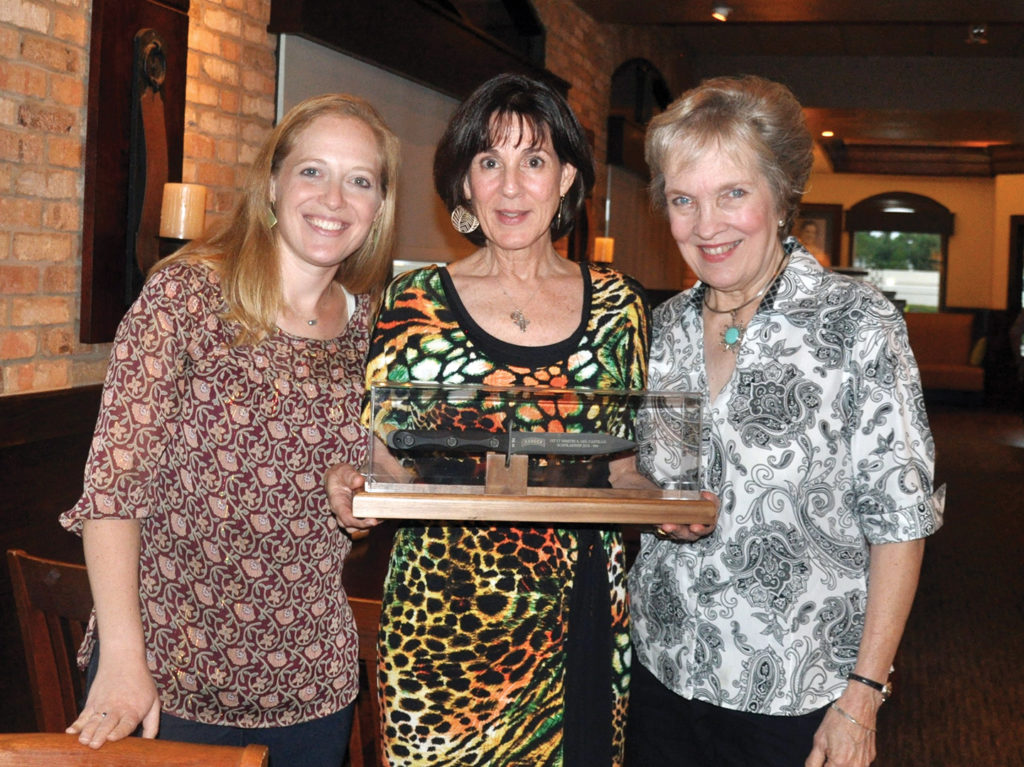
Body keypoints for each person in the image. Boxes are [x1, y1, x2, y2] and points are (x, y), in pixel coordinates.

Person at [59, 93, 400, 766]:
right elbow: (112, 490)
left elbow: (378, 478)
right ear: (273, 183)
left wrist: (362, 500)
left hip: (312, 687)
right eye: (313, 171)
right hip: (165, 678)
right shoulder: (185, 298)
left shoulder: (374, 330)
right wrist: (125, 660)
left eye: (359, 179)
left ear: (379, 206)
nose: (334, 197)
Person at [326, 73, 650, 766]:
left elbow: (623, 468)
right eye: (489, 161)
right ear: (465, 184)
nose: (511, 186)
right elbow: (385, 458)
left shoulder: (620, 304)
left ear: (566, 178)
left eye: (533, 161)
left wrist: (665, 505)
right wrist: (353, 492)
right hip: (442, 624)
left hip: (578, 615)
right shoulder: (415, 301)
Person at [625, 75, 945, 767]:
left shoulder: (856, 323)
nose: (706, 225)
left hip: (798, 695)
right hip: (663, 671)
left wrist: (861, 698)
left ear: (780, 197)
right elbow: (665, 476)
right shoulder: (666, 326)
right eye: (684, 200)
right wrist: (654, 503)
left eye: (732, 193)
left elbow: (901, 522)